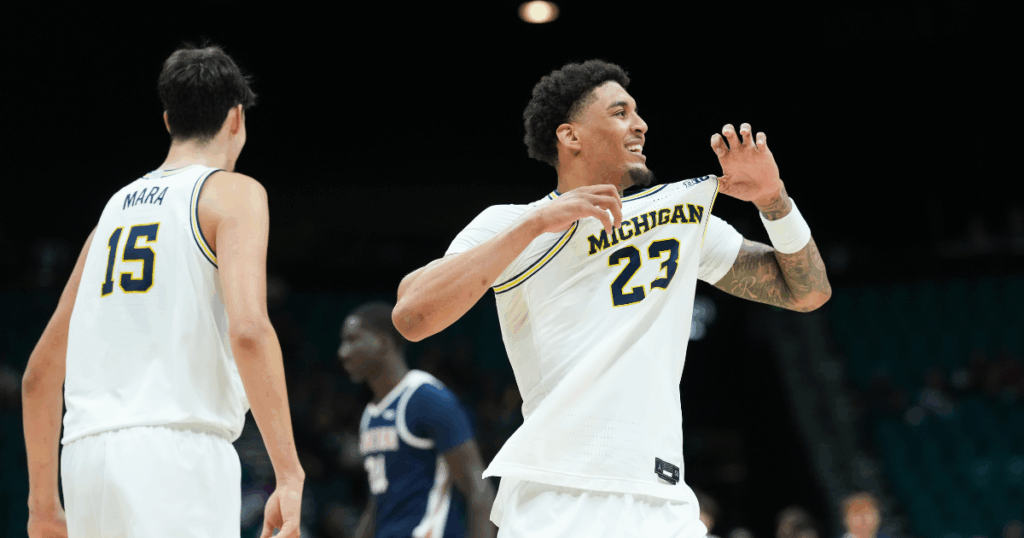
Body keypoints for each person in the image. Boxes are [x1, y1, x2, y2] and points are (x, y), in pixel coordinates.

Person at [392, 60, 831, 537]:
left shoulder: (678, 216)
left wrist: (774, 201)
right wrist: (537, 224)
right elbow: (412, 314)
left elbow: (807, 292)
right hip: (558, 496)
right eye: (621, 112)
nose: (641, 124)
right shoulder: (515, 222)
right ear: (571, 136)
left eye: (637, 113)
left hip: (663, 498)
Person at [21, 44, 304, 538]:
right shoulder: (233, 193)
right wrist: (289, 472)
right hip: (177, 457)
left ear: (169, 118)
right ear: (236, 118)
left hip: (86, 458)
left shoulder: (109, 217)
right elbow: (250, 330)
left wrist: (43, 505)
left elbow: (40, 375)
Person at [339, 301, 496, 538]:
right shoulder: (370, 415)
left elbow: (478, 489)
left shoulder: (426, 396)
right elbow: (378, 502)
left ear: (384, 341)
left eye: (353, 340)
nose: (343, 352)